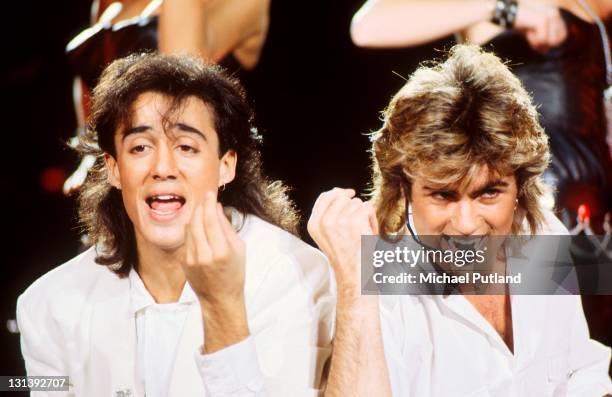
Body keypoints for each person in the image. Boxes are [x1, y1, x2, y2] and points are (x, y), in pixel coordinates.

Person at [17, 53, 334, 397]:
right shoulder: (48, 306)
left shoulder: (297, 277)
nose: (163, 167)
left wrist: (221, 308)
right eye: (140, 147)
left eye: (186, 146)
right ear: (113, 169)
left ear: (226, 165)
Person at [310, 45, 612, 396]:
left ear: (520, 185)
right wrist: (354, 289)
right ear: (404, 188)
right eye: (443, 195)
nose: (467, 224)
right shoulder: (377, 287)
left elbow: (579, 371)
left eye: (489, 193)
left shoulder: (539, 233)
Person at [350, 0, 612, 232]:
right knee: (529, 284)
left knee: (592, 286)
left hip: (594, 200)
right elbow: (368, 27)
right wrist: (504, 9)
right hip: (524, 202)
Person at [63, 0, 271, 194]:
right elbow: (92, 73)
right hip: (112, 180)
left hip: (182, 182)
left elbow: (180, 76)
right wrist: (89, 152)